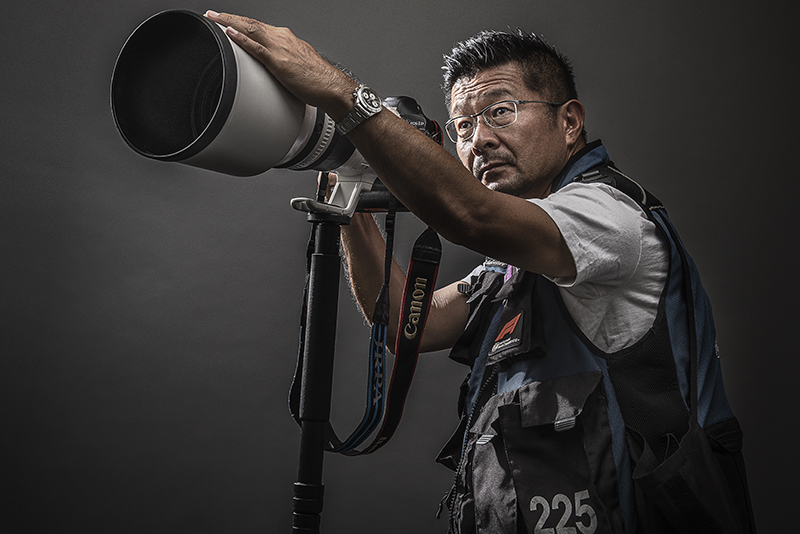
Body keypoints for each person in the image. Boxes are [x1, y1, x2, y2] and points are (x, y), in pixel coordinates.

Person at [203, 11, 756, 533]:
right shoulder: (524, 258)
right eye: (462, 125)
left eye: (501, 111)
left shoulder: (608, 219)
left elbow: (471, 214)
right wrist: (345, 176)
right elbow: (403, 323)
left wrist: (346, 97)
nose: (479, 140)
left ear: (570, 122)